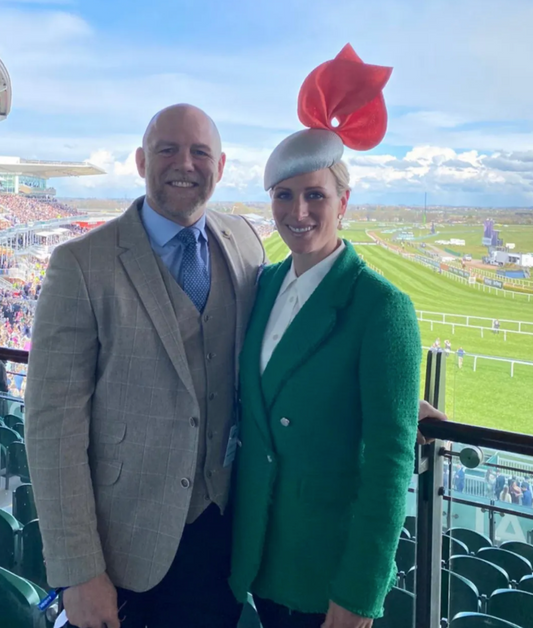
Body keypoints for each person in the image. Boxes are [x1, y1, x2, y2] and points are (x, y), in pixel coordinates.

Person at [25, 104, 266, 628]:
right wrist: (77, 570)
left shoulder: (245, 241)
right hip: (123, 552)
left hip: (223, 534)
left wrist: (394, 394)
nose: (185, 163)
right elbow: (50, 429)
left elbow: (288, 333)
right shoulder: (80, 265)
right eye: (167, 149)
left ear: (220, 167)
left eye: (200, 151)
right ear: (140, 161)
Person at [229, 45, 422, 628]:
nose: (299, 211)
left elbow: (390, 463)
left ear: (344, 200)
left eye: (315, 194)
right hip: (257, 555)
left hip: (324, 575)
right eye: (284, 195)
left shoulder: (383, 308)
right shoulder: (259, 286)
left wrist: (359, 595)